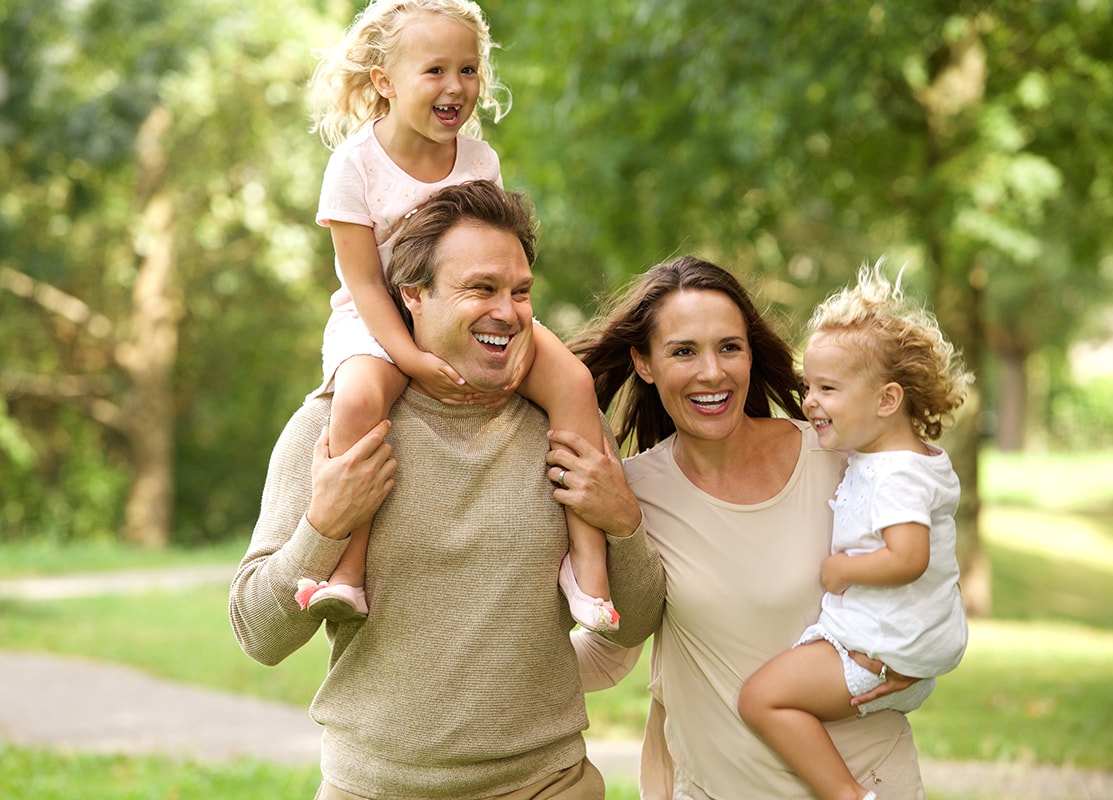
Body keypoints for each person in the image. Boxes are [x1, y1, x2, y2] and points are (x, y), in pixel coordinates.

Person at [229, 180, 665, 800]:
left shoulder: (568, 425)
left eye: (520, 292)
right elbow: (259, 636)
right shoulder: (333, 428)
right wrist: (321, 528)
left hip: (549, 786)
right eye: (481, 288)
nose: (509, 312)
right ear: (413, 296)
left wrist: (623, 524)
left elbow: (633, 623)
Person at [549, 256, 927, 799]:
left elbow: (921, 588)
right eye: (684, 351)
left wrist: (918, 662)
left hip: (870, 785)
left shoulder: (837, 459)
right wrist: (486, 670)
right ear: (645, 362)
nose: (712, 373)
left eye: (729, 347)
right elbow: (612, 653)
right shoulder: (629, 497)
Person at [297, 0, 618, 631]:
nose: (456, 87)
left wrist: (504, 326)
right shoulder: (353, 167)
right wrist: (412, 358)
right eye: (435, 70)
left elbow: (494, 259)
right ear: (385, 81)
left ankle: (586, 567)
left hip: (466, 312)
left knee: (574, 384)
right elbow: (363, 282)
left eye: (468, 70)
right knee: (359, 398)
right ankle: (348, 569)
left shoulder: (478, 161)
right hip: (380, 316)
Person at [737, 261, 972, 800]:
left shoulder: (895, 474)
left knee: (762, 699)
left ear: (887, 400)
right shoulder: (889, 457)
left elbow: (908, 556)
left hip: (871, 651)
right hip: (896, 649)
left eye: (827, 389)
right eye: (807, 386)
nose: (809, 402)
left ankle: (847, 795)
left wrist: (840, 569)